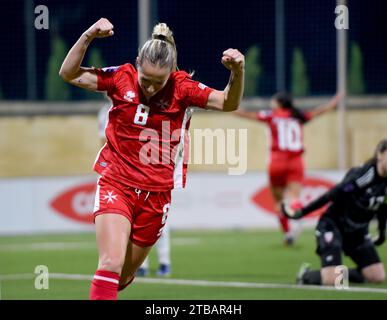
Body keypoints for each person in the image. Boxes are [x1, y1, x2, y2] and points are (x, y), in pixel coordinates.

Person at [59, 18, 244, 300]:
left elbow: (228, 102)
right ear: (136, 64)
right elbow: (69, 74)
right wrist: (88, 35)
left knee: (122, 277)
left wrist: (238, 72)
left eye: (159, 82)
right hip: (116, 182)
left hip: (157, 194)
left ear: (172, 72)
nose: (151, 88)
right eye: (146, 80)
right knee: (110, 264)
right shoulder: (120, 77)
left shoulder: (183, 88)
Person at [234, 92, 341, 245]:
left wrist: (227, 107)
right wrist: (333, 103)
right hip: (295, 162)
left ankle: (288, 233)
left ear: (279, 103)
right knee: (295, 197)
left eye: (274, 100)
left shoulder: (272, 116)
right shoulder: (298, 116)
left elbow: (246, 114)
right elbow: (317, 112)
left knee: (279, 202)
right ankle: (296, 220)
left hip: (277, 162)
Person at [282, 139, 387, 286]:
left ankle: (341, 273)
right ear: (380, 154)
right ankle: (306, 275)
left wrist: (382, 232)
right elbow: (333, 194)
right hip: (333, 226)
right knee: (333, 280)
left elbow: (383, 207)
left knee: (377, 276)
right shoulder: (363, 176)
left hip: (358, 232)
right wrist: (302, 212)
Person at [98, 105, 172, 277]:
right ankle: (141, 266)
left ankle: (164, 261)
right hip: (125, 174)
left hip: (155, 175)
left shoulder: (162, 106)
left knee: (159, 224)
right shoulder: (107, 112)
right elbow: (104, 139)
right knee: (129, 223)